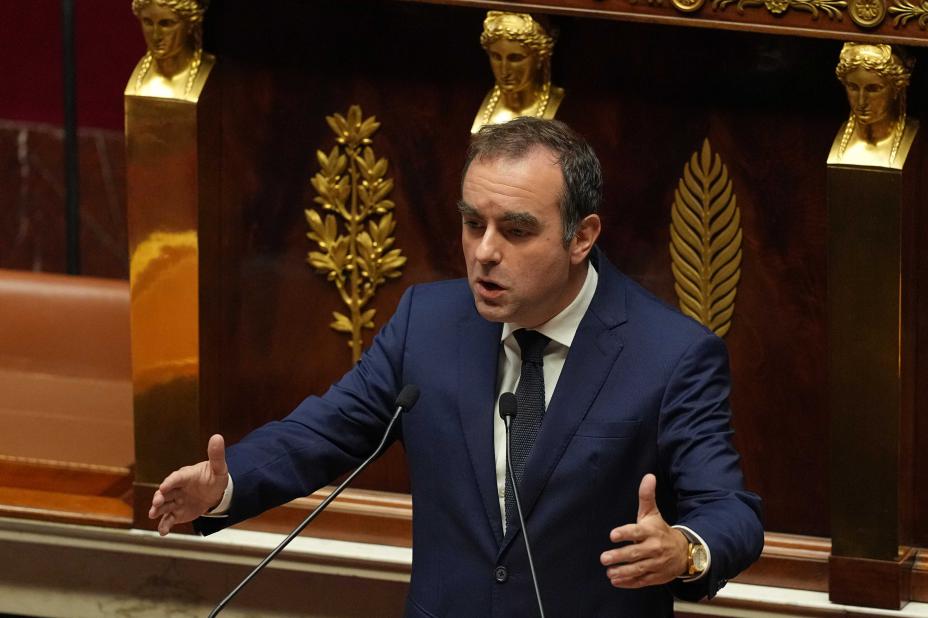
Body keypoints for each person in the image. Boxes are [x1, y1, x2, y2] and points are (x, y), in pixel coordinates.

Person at [149, 117, 763, 616]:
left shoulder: (670, 354)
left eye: (516, 231)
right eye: (473, 224)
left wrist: (686, 550)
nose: (485, 252)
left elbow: (730, 509)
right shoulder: (427, 324)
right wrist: (225, 486)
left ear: (582, 237)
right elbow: (325, 432)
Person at [471, 12, 566, 133]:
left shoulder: (560, 104)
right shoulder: (475, 102)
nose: (504, 70)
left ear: (540, 57)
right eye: (496, 57)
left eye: (515, 58)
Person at [831, 42, 917, 169]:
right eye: (853, 87)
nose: (861, 101)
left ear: (896, 89)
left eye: (873, 89)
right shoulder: (834, 139)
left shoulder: (914, 137)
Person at [126, 0, 215, 101]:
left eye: (166, 24)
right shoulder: (139, 79)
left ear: (190, 24)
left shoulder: (210, 72)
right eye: (148, 22)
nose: (156, 36)